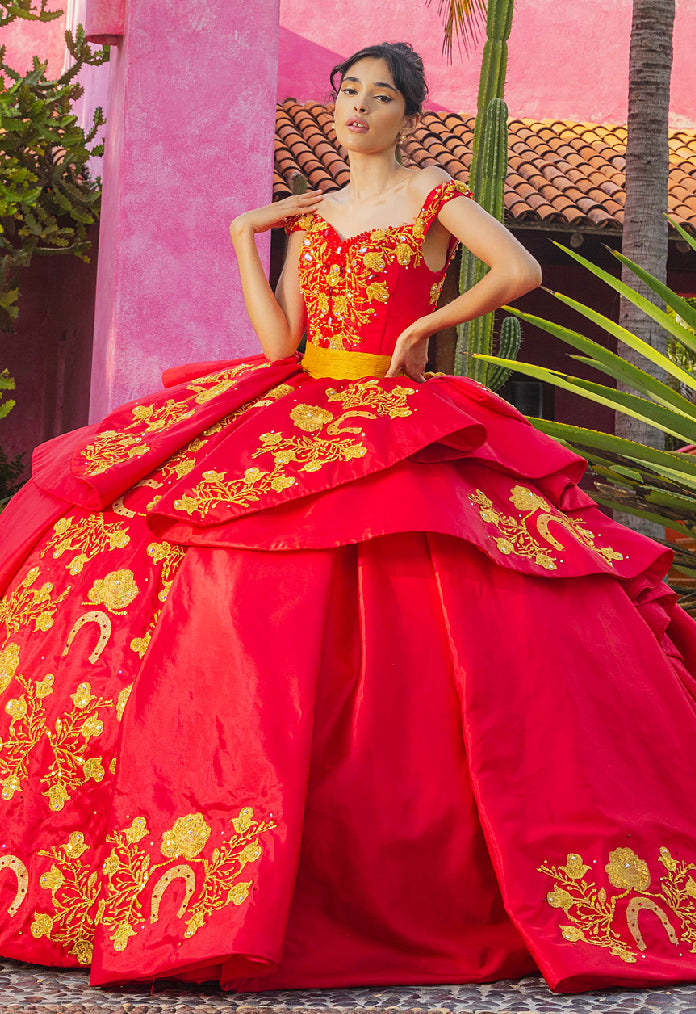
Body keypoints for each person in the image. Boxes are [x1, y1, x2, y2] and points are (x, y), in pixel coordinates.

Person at [1, 40, 696, 996]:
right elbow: (282, 343)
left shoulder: (432, 196)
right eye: (347, 92)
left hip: (393, 411)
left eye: (378, 96)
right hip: (298, 398)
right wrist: (246, 234)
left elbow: (522, 268)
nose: (356, 108)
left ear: (408, 113)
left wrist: (424, 329)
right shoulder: (311, 215)